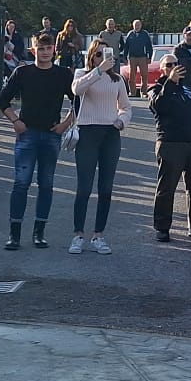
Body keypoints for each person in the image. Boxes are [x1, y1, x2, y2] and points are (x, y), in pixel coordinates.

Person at [0, 32, 77, 250]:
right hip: (27, 134)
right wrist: (15, 120)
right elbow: (2, 99)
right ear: (34, 50)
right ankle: (14, 234)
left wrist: (65, 125)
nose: (45, 52)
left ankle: (39, 232)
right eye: (41, 48)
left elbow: (79, 102)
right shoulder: (23, 72)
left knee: (46, 184)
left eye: (48, 48)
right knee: (21, 183)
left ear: (54, 50)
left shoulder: (62, 74)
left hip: (52, 134)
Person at [69, 39, 130, 255]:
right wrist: (98, 71)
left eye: (107, 55)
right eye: (99, 54)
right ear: (91, 57)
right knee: (84, 187)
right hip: (87, 133)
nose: (104, 58)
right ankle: (78, 235)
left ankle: (98, 235)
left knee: (105, 188)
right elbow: (77, 90)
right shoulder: (82, 74)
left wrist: (121, 121)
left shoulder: (118, 79)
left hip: (110, 134)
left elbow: (125, 107)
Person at [148, 55, 191, 242]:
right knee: (167, 188)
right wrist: (170, 82)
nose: (174, 67)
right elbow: (158, 106)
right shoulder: (157, 88)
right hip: (171, 144)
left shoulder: (187, 89)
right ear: (162, 69)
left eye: (176, 64)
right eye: (169, 65)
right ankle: (162, 227)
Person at [123, 19, 154, 93]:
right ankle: (132, 92)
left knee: (144, 75)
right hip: (132, 57)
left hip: (142, 57)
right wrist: (125, 57)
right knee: (132, 76)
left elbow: (149, 46)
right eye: (135, 25)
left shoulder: (145, 34)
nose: (137, 27)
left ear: (141, 25)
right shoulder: (130, 34)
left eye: (138, 25)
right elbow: (126, 47)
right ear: (133, 26)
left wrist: (149, 57)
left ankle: (144, 92)